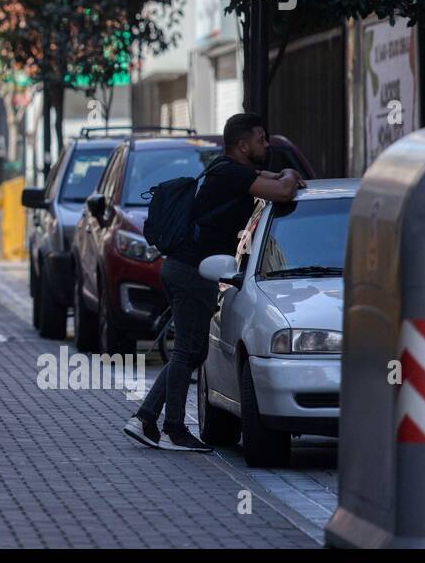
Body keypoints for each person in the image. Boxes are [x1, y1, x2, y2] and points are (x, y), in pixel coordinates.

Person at [124, 113, 306, 453]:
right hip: (192, 272)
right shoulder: (230, 173)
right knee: (188, 352)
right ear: (242, 144)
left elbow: (269, 178)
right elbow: (282, 190)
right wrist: (293, 175)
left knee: (191, 352)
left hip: (189, 269)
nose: (266, 145)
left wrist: (283, 175)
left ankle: (147, 417)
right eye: (261, 139)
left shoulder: (228, 170)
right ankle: (170, 428)